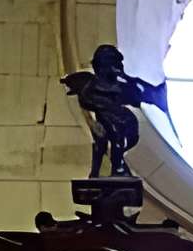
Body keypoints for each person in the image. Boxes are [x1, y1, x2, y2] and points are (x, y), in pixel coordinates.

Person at [60, 44, 167, 178]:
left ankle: (117, 163)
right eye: (117, 64)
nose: (120, 66)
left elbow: (134, 94)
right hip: (108, 121)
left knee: (127, 139)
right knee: (116, 139)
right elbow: (87, 98)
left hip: (123, 120)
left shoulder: (120, 85)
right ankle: (117, 167)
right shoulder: (93, 85)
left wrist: (126, 79)